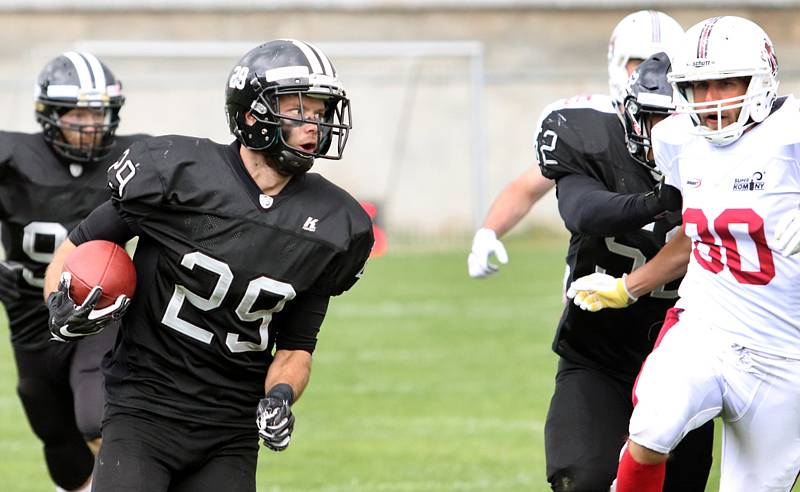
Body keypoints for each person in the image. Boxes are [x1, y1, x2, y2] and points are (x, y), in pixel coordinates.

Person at [42, 39, 373, 492]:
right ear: (253, 114)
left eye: (320, 112)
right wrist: (59, 302)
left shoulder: (337, 226)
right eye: (300, 109)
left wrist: (280, 396)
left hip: (230, 428)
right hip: (144, 408)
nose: (313, 124)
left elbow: (297, 348)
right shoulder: (175, 173)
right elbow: (75, 250)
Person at [567, 16, 800, 491]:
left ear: (760, 79)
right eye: (698, 86)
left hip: (785, 353)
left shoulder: (791, 136)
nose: (712, 100)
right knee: (652, 426)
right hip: (707, 328)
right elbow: (695, 236)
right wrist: (626, 288)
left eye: (725, 83)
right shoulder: (677, 139)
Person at [0, 51, 145, 492]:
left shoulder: (135, 158)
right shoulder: (13, 157)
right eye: (78, 113)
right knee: (47, 417)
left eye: (99, 114)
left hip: (100, 303)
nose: (90, 125)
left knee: (94, 409)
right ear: (50, 115)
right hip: (29, 305)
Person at [468, 10, 683, 278]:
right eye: (639, 62)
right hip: (595, 289)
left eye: (665, 64)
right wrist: (489, 232)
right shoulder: (589, 130)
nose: (652, 75)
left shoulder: (703, 129)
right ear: (617, 65)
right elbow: (527, 187)